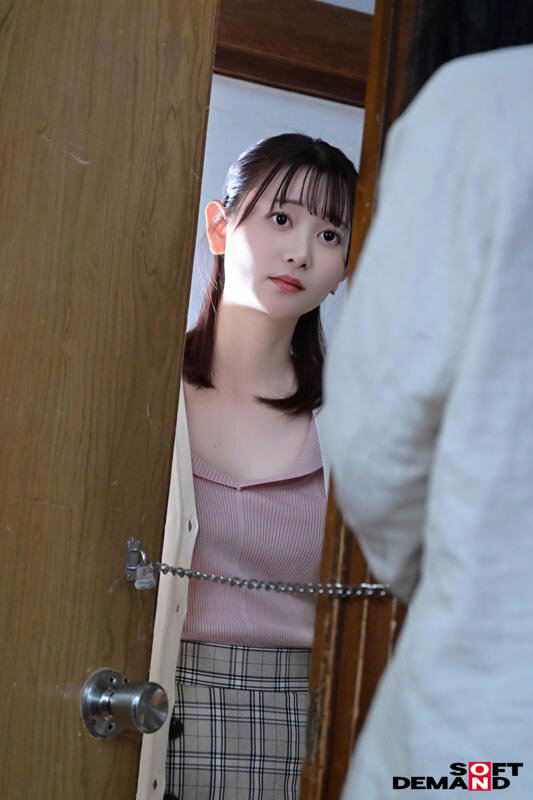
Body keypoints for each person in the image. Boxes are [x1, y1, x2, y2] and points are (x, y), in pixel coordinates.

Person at [320, 1, 533, 797]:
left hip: (489, 730)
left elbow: (376, 442)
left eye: (330, 230)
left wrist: (451, 572)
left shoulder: (480, 104)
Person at [160, 133, 357, 799]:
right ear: (220, 226)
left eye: (329, 234)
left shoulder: (353, 424)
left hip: (305, 730)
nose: (301, 251)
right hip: (136, 706)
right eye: (280, 218)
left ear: (344, 267)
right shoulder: (145, 394)